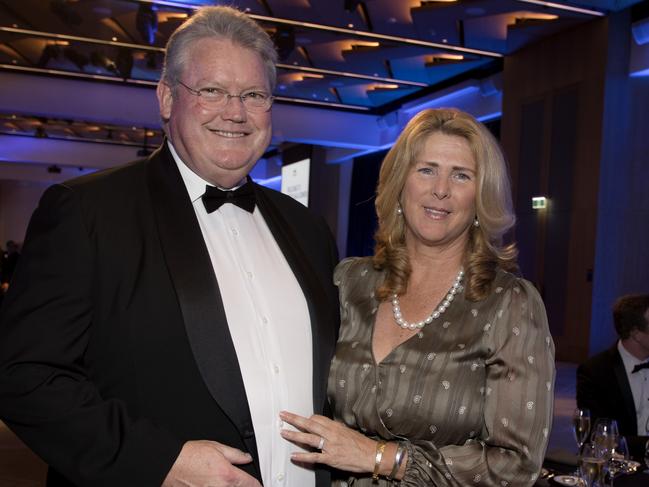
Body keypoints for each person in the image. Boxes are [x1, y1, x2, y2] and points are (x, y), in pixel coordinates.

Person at [0, 6, 339, 487]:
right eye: (212, 91)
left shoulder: (307, 229)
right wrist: (159, 461)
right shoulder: (87, 212)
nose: (235, 112)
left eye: (254, 94)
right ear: (165, 98)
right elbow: (23, 375)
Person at [279, 108, 555, 486]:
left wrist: (380, 457)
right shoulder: (350, 281)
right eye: (427, 169)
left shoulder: (509, 304)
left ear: (480, 197)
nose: (441, 189)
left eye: (461, 175)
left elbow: (516, 465)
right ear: (399, 183)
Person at [577, 294, 649, 461]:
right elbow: (597, 436)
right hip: (621, 468)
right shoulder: (595, 371)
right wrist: (645, 446)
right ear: (636, 333)